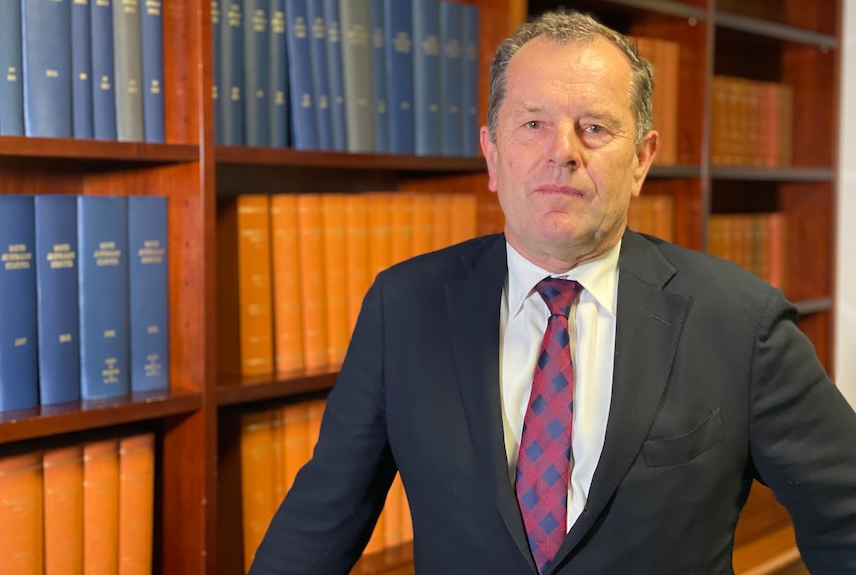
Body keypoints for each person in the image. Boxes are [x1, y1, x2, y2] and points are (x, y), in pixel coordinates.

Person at [249, 10, 856, 574]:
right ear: (492, 153)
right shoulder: (403, 308)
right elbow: (318, 525)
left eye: (594, 128)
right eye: (533, 124)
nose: (561, 152)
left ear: (642, 160)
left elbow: (846, 518)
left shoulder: (740, 321)